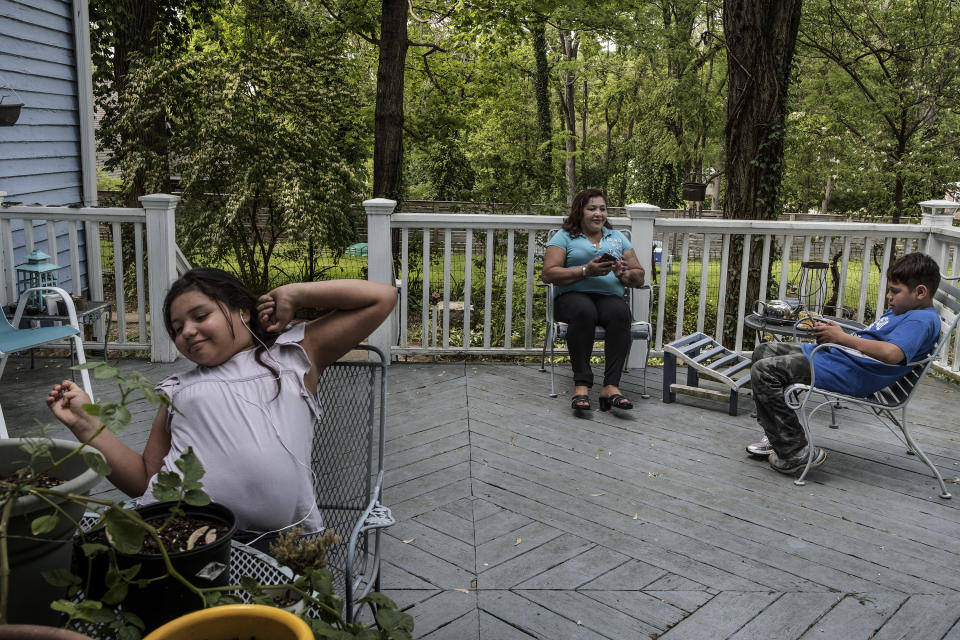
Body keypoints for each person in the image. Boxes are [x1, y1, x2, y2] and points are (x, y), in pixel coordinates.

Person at [47, 267, 397, 544]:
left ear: (243, 311)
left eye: (200, 316)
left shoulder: (293, 356)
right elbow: (145, 481)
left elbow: (381, 297)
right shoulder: (177, 388)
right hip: (177, 538)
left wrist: (294, 293)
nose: (187, 331)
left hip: (276, 543)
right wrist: (85, 424)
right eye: (177, 327)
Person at [745, 252, 941, 474]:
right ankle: (778, 435)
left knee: (765, 371)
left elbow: (892, 354)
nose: (889, 296)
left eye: (895, 291)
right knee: (763, 351)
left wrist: (842, 338)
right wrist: (839, 333)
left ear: (920, 292)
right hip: (843, 358)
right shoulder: (905, 309)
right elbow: (873, 338)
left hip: (853, 373)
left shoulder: (920, 320)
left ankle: (793, 452)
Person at [541, 188, 646, 412]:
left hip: (608, 297)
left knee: (620, 313)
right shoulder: (564, 237)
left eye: (602, 209)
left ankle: (610, 386)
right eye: (592, 209)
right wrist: (585, 271)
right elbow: (548, 274)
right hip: (571, 297)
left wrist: (625, 275)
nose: (598, 213)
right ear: (580, 211)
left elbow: (639, 275)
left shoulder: (616, 238)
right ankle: (581, 385)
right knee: (584, 311)